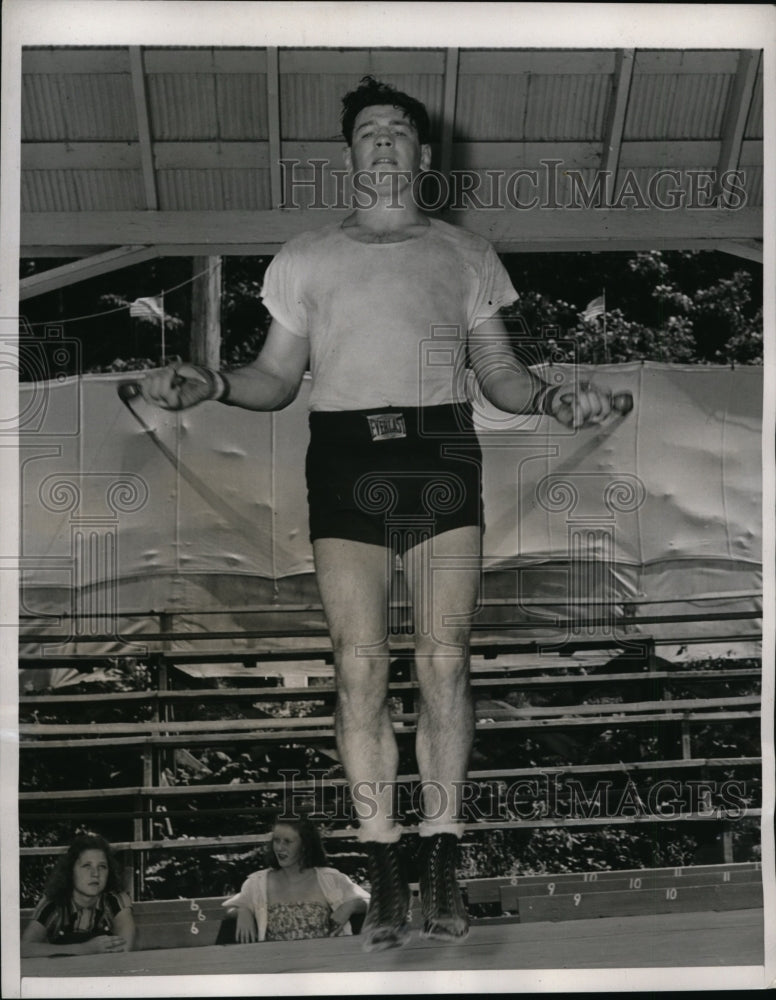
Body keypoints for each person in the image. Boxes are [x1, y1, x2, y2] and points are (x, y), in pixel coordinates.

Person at [139, 77, 626, 951]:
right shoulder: (305, 257)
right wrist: (211, 381)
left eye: (400, 131)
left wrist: (554, 399)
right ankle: (387, 863)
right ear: (350, 157)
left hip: (440, 455)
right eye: (369, 132)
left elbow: (501, 375)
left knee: (445, 663)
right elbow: (276, 379)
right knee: (359, 671)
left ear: (423, 155)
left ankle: (442, 854)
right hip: (346, 457)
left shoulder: (467, 254)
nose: (386, 143)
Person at [220, 815, 369, 942]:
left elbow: (369, 902)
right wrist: (243, 910)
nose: (279, 848)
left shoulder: (330, 878)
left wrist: (350, 906)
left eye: (287, 842)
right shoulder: (258, 882)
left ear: (305, 845)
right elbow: (230, 909)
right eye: (276, 841)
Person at [21, 833, 135, 957]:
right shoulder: (54, 903)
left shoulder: (116, 901)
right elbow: (24, 948)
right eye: (87, 866)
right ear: (70, 871)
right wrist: (84, 949)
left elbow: (124, 948)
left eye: (102, 867)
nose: (95, 874)